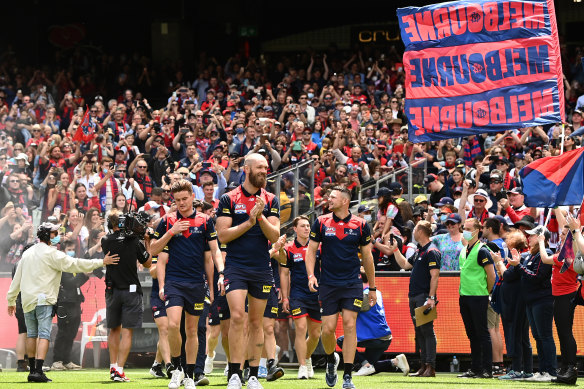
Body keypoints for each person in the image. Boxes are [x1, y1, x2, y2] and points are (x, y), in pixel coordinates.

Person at [6, 222, 119, 383]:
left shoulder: (28, 253)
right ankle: (38, 371)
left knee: (31, 334)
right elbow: (76, 264)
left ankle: (32, 370)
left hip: (27, 300)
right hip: (44, 299)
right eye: (54, 232)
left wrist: (11, 299)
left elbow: (17, 279)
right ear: (48, 235)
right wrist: (101, 262)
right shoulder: (53, 254)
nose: (57, 235)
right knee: (44, 334)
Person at [216, 153, 280, 389]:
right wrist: (248, 222)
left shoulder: (270, 199)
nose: (265, 170)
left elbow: (274, 236)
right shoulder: (228, 199)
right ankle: (234, 373)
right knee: (237, 317)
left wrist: (260, 217)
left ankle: (253, 374)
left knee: (257, 322)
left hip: (262, 267)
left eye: (266, 167)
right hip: (236, 266)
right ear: (246, 169)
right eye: (260, 167)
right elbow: (222, 235)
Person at [150, 179, 223, 389]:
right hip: (174, 282)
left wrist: (221, 272)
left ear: (192, 196)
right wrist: (171, 232)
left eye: (184, 198)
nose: (181, 203)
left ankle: (189, 375)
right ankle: (176, 368)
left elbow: (214, 251)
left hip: (196, 283)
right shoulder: (166, 220)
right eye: (177, 200)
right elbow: (153, 251)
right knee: (173, 325)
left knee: (192, 331)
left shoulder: (204, 220)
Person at [305, 186, 376, 389]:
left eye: (333, 197)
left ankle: (347, 376)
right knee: (327, 330)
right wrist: (311, 275)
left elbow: (368, 258)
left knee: (350, 325)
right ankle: (330, 360)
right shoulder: (320, 222)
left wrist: (372, 287)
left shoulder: (361, 225)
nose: (329, 199)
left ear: (345, 201)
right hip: (327, 283)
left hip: (352, 283)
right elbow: (311, 252)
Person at [101, 210, 152, 382]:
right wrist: (146, 241)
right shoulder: (135, 241)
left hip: (112, 291)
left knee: (114, 329)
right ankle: (120, 370)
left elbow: (115, 239)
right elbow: (147, 262)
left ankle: (113, 367)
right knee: (127, 331)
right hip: (130, 292)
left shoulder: (105, 240)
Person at [390, 220, 440, 377]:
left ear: (421, 232)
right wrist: (396, 250)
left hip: (424, 296)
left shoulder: (432, 251)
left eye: (415, 229)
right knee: (419, 332)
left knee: (427, 330)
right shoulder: (421, 250)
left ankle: (430, 366)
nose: (413, 232)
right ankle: (423, 365)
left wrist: (431, 297)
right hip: (415, 296)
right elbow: (405, 265)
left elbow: (435, 276)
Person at [274, 216, 321, 380]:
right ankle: (302, 366)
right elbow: (285, 273)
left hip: (317, 293)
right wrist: (285, 298)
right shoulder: (289, 249)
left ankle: (306, 358)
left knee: (315, 334)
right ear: (295, 229)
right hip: (298, 294)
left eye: (308, 226)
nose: (307, 228)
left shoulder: (318, 247)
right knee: (301, 328)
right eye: (303, 226)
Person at [507, 225, 556, 382]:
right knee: (538, 336)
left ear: (542, 238)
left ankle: (551, 371)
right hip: (532, 301)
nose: (529, 237)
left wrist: (518, 266)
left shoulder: (546, 253)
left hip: (542, 300)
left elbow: (536, 276)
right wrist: (518, 264)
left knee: (545, 336)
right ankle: (542, 371)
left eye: (533, 235)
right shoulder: (530, 255)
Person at [347, 269, 410, 377]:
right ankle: (395, 362)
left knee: (341, 340)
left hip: (375, 337)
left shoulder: (363, 295)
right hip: (384, 337)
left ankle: (366, 365)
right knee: (369, 367)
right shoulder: (376, 292)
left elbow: (348, 312)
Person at [457, 218, 496, 379]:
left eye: (467, 228)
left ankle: (487, 369)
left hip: (478, 296)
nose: (464, 230)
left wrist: (486, 292)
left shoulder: (482, 250)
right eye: (463, 228)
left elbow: (491, 275)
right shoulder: (464, 249)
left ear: (477, 230)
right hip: (465, 296)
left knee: (482, 333)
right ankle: (475, 368)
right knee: (472, 334)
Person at [50, 239, 88, 371]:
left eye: (73, 249)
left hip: (75, 301)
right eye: (69, 249)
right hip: (64, 302)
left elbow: (76, 283)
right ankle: (57, 360)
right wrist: (84, 275)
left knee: (72, 332)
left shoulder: (73, 264)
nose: (71, 252)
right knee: (63, 332)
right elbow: (70, 283)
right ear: (63, 251)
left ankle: (67, 360)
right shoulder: (61, 266)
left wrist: (84, 275)